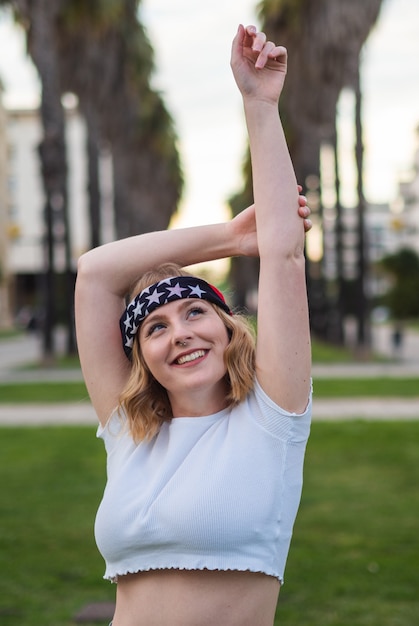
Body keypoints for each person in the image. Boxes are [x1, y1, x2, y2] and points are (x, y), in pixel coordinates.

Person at [75, 23, 313, 626]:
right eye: (153, 327)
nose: (178, 331)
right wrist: (230, 237)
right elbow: (94, 274)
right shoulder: (130, 434)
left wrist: (258, 103)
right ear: (141, 357)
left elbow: (284, 251)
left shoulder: (271, 418)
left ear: (229, 328)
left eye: (194, 312)